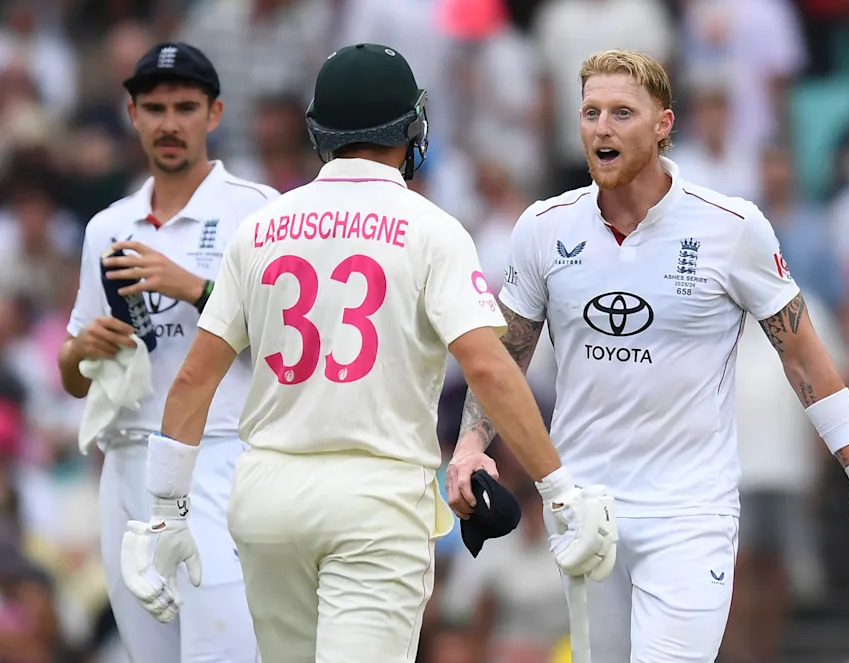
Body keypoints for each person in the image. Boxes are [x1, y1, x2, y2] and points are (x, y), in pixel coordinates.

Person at [118, 43, 617, 663]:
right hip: (375, 500)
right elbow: (488, 365)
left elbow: (194, 378)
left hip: (267, 496)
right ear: (412, 128)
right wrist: (559, 488)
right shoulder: (433, 229)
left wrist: (165, 510)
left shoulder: (263, 227)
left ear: (319, 132)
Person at [446, 48, 849, 663]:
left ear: (663, 125)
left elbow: (803, 357)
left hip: (690, 511)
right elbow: (506, 355)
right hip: (582, 506)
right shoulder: (543, 227)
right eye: (589, 112)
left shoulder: (731, 226)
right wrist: (471, 444)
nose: (601, 128)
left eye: (621, 113)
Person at [58, 42, 279, 662]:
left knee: (224, 650)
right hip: (126, 459)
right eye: (154, 108)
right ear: (132, 115)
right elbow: (75, 378)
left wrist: (194, 286)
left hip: (219, 451)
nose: (170, 123)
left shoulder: (254, 210)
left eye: (186, 107)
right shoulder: (109, 226)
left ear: (215, 113)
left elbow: (286, 342)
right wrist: (82, 350)